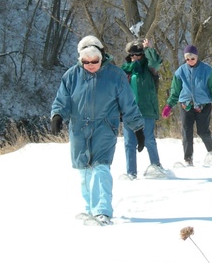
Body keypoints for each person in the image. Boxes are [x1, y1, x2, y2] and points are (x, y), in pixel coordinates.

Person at [50, 35, 146, 226]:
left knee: (101, 167)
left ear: (102, 56)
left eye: (95, 61)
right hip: (79, 128)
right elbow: (62, 100)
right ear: (80, 59)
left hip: (105, 127)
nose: (91, 65)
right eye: (86, 62)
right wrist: (57, 116)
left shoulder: (115, 75)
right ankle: (90, 209)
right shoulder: (71, 76)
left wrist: (137, 128)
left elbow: (128, 103)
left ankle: (103, 210)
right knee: (84, 170)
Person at [161, 45, 212, 166]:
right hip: (186, 105)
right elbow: (175, 91)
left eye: (192, 58)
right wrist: (169, 105)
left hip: (203, 105)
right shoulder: (180, 72)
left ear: (197, 57)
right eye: (187, 59)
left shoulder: (208, 70)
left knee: (203, 131)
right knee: (186, 131)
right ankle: (188, 158)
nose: (190, 61)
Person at [121, 38, 166, 179]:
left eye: (138, 54)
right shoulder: (125, 70)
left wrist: (148, 49)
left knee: (148, 140)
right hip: (129, 111)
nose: (135, 57)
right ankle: (131, 173)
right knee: (129, 143)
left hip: (146, 110)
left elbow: (156, 61)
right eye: (132, 55)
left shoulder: (149, 68)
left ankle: (156, 166)